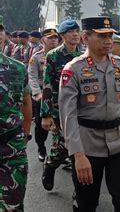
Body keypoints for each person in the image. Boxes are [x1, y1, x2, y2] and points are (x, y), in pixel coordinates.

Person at [59, 16, 120, 211]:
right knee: (86, 203)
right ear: (85, 38)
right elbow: (68, 117)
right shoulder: (73, 70)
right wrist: (77, 155)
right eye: (102, 36)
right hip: (88, 146)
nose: (108, 41)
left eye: (110, 35)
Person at [41, 18, 83, 191]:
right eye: (71, 32)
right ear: (62, 36)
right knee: (62, 149)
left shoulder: (84, 55)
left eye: (77, 31)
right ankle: (50, 166)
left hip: (82, 110)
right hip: (61, 111)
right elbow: (47, 86)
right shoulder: (54, 56)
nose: (75, 34)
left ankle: (79, 193)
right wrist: (46, 115)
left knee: (80, 149)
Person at [0, 27, 32, 211]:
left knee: (13, 204)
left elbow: (26, 104)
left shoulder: (17, 68)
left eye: (0, 31)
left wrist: (25, 134)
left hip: (12, 148)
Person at [28, 28, 59, 162]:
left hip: (57, 94)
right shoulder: (36, 57)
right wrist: (37, 94)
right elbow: (32, 77)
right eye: (50, 38)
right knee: (42, 126)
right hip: (41, 95)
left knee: (61, 123)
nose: (53, 40)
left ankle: (60, 148)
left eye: (55, 38)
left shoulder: (60, 56)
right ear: (43, 40)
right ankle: (41, 147)